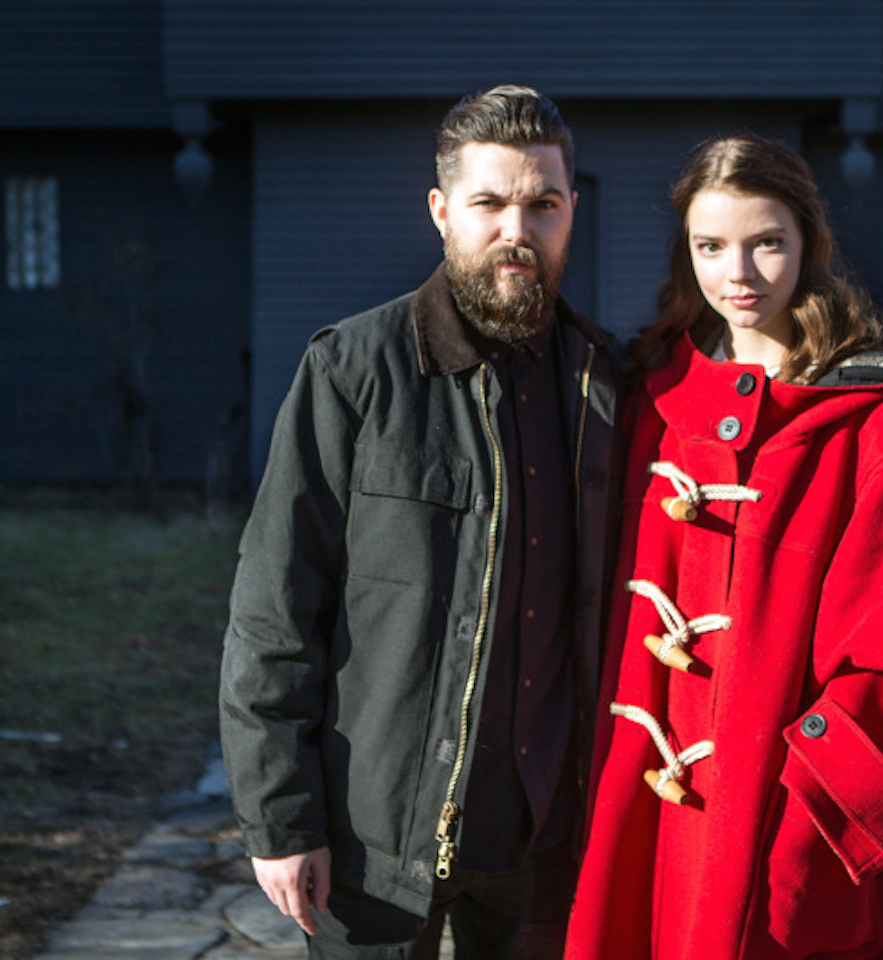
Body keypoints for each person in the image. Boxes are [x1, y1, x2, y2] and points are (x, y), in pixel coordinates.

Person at [219, 85, 620, 960]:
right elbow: (275, 603)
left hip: (550, 837)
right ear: (441, 212)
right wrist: (280, 819)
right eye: (488, 203)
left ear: (570, 212)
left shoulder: (608, 387)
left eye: (542, 204)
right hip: (376, 839)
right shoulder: (352, 371)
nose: (517, 229)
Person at [563, 135, 883, 959]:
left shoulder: (867, 427)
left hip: (780, 820)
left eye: (766, 242)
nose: (739, 273)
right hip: (642, 805)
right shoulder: (654, 402)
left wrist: (807, 800)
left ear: (807, 245)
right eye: (711, 246)